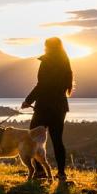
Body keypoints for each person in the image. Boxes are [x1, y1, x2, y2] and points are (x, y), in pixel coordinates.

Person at [21, 36, 73, 184]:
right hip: (60, 107)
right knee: (57, 140)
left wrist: (28, 100)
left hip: (44, 107)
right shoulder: (65, 62)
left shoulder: (47, 60)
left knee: (33, 139)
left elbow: (41, 85)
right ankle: (61, 174)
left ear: (48, 47)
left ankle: (39, 172)